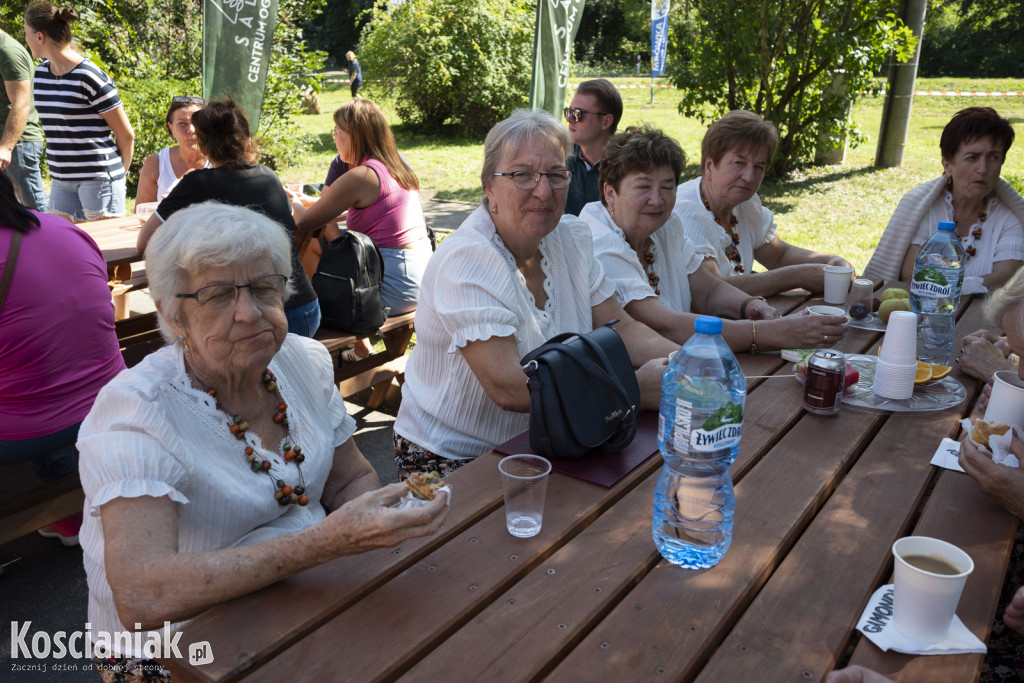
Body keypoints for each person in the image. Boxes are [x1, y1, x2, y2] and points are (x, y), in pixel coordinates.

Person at [77, 202, 448, 674]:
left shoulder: (302, 361)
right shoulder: (136, 411)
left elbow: (349, 478)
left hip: (302, 594)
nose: (249, 313)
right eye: (216, 295)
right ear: (174, 316)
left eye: (262, 287)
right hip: (180, 650)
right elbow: (141, 595)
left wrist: (373, 534)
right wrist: (324, 545)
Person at [392, 109, 678, 479]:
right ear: (489, 187)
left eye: (556, 175)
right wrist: (633, 389)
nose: (544, 191)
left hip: (553, 439)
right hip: (458, 458)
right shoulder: (467, 258)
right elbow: (509, 387)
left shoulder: (571, 239)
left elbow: (620, 328)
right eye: (522, 175)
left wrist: (690, 360)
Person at [581, 125, 848, 352]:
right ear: (610, 193)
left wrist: (749, 306)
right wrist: (769, 333)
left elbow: (707, 289)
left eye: (667, 186)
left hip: (684, 361)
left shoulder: (665, 225)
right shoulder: (600, 240)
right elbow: (663, 325)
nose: (657, 199)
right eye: (643, 186)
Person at [0, 171, 125, 547]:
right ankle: (71, 516)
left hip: (28, 425)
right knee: (38, 363)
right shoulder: (65, 229)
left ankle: (69, 514)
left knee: (28, 380)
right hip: (113, 394)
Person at [136, 97, 321, 338]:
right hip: (305, 309)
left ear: (203, 145)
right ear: (247, 142)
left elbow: (144, 243)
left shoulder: (197, 183)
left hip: (258, 317)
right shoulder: (268, 176)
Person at [292, 98, 431, 360]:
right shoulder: (397, 164)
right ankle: (360, 347)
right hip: (423, 280)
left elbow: (304, 222)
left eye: (337, 132)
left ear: (354, 135)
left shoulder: (362, 175)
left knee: (311, 243)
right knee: (331, 242)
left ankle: (312, 337)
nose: (334, 138)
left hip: (394, 290)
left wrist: (295, 201)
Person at [674, 110, 852, 296]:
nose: (749, 177)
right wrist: (798, 276)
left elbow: (778, 255)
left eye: (759, 166)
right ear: (710, 165)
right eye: (739, 163)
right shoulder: (686, 211)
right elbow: (715, 290)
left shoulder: (744, 204)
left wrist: (832, 261)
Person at [865, 107, 1024, 290]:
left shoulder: (1011, 216)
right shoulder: (924, 208)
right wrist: (969, 286)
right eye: (972, 157)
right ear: (947, 164)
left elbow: (1006, 279)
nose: (983, 168)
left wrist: (945, 285)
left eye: (993, 158)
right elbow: (911, 275)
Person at [23, 2, 134, 222]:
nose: (25, 39)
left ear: (39, 37)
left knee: (106, 251)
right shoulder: (40, 74)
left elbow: (126, 134)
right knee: (62, 247)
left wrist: (118, 175)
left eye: (26, 33)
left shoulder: (90, 76)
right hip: (61, 180)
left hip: (98, 180)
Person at [0, 26, 46, 211]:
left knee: (35, 210)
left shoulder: (8, 51)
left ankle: (51, 240)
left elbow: (21, 103)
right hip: (7, 144)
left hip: (17, 145)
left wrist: (5, 147)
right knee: (9, 212)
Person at [563, 78, 622, 217]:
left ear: (606, 121)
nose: (569, 119)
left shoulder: (627, 167)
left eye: (578, 113)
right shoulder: (560, 157)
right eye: (568, 111)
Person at [135, 96, 208, 204]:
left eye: (197, 122)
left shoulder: (220, 161)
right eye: (182, 123)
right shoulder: (157, 163)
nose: (191, 130)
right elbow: (142, 213)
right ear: (171, 128)